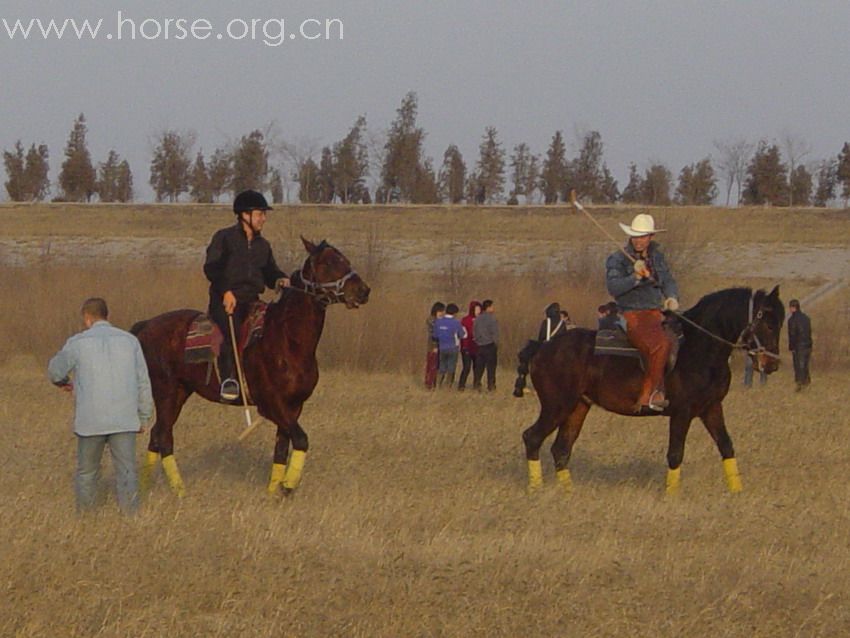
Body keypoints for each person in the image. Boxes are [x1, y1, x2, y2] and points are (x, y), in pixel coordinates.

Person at [47, 298, 153, 515]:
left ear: (87, 318)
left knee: (87, 473)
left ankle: (87, 518)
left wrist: (64, 382)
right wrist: (143, 417)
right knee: (127, 472)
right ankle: (131, 517)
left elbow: (55, 371)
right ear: (107, 315)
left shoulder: (77, 343)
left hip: (90, 421)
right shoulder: (130, 341)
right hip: (124, 419)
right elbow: (143, 381)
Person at [204, 190, 289, 401]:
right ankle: (228, 380)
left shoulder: (263, 245)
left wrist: (280, 279)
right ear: (245, 215)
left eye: (264, 214)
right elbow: (211, 268)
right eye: (260, 213)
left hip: (252, 301)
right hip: (225, 302)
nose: (264, 218)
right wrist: (226, 292)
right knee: (228, 332)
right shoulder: (223, 238)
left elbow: (269, 272)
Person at [606, 213, 679, 412]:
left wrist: (672, 296)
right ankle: (650, 394)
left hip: (657, 313)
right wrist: (634, 278)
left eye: (643, 236)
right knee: (661, 344)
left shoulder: (657, 257)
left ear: (651, 237)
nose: (639, 240)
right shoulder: (618, 259)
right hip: (632, 315)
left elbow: (668, 280)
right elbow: (613, 287)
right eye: (635, 236)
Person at [433, 303, 465, 387]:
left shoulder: (438, 321)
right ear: (455, 313)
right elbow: (461, 335)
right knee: (451, 367)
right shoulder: (456, 322)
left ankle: (438, 385)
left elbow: (435, 336)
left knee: (442, 367)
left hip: (442, 347)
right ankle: (448, 386)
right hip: (453, 347)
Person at [473, 299, 499, 391]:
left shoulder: (477, 319)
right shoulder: (492, 319)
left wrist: (477, 341)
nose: (493, 308)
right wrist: (496, 343)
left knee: (479, 367)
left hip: (480, 346)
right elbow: (495, 333)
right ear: (488, 307)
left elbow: (474, 332)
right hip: (490, 345)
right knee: (491, 367)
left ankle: (477, 384)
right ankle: (491, 385)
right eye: (492, 306)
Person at [787, 299, 813, 391]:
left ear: (793, 308)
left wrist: (791, 346)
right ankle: (807, 381)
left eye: (790, 307)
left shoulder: (792, 320)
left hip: (799, 346)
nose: (789, 309)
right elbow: (809, 331)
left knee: (799, 365)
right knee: (805, 364)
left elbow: (792, 334)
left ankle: (800, 385)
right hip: (808, 344)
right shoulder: (806, 318)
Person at [458, 300, 481, 390]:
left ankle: (477, 384)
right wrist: (464, 346)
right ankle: (461, 385)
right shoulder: (465, 320)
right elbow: (463, 334)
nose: (478, 311)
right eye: (476, 309)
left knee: (478, 367)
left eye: (479, 309)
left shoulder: (481, 319)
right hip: (467, 346)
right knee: (466, 367)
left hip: (478, 347)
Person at [425, 302, 445, 389]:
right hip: (433, 346)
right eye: (440, 311)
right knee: (432, 365)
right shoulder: (431, 320)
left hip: (441, 346)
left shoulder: (441, 321)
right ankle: (430, 384)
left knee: (437, 366)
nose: (442, 313)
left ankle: (435, 383)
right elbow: (435, 333)